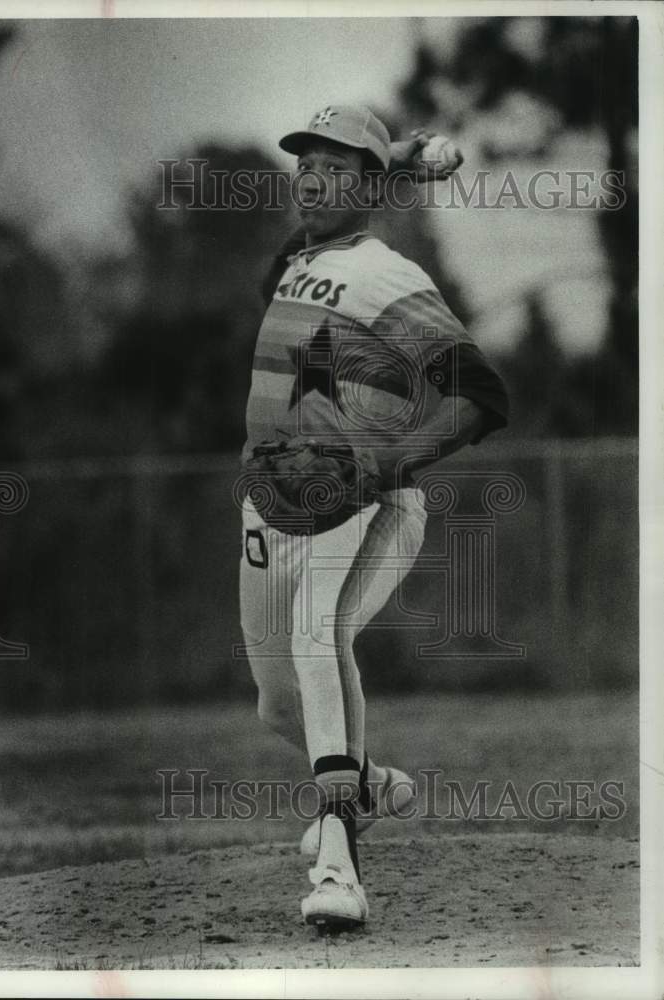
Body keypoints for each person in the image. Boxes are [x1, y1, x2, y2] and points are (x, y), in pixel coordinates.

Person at [238, 105, 509, 930]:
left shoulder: (388, 273)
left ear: (368, 184)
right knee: (276, 706)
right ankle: (368, 783)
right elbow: (276, 277)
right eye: (303, 164)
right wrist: (393, 164)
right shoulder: (300, 264)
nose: (310, 177)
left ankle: (339, 869)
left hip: (365, 494)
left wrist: (377, 467)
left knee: (320, 635)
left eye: (333, 165)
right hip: (272, 499)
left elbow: (482, 395)